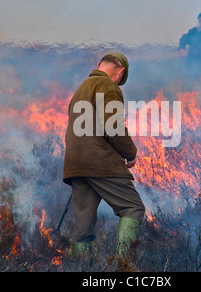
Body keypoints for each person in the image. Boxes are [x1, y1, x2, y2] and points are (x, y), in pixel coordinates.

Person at [62, 52, 145, 260]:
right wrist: (131, 154)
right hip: (100, 162)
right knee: (132, 207)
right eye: (120, 80)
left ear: (99, 65)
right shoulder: (108, 86)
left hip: (76, 165)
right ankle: (124, 267)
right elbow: (114, 127)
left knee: (83, 227)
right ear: (120, 72)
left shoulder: (80, 89)